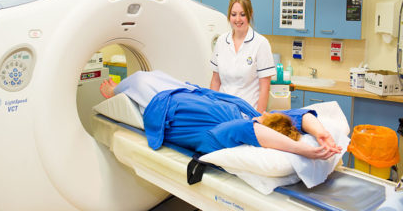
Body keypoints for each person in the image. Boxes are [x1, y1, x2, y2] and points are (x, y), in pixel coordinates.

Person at [100, 70, 342, 160]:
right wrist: (321, 133)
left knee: (141, 78)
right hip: (186, 90)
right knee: (152, 72)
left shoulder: (226, 134)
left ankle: (112, 91)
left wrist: (303, 150)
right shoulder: (252, 115)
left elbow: (250, 131)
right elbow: (298, 115)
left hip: (163, 106)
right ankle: (121, 88)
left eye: (268, 116)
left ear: (265, 129)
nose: (266, 111)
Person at [210, 0, 276, 113]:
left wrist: (258, 117)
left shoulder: (261, 43)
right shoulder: (221, 41)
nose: (238, 19)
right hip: (222, 111)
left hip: (248, 113)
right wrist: (212, 109)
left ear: (250, 14)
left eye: (242, 14)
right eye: (233, 14)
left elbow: (265, 88)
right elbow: (215, 80)